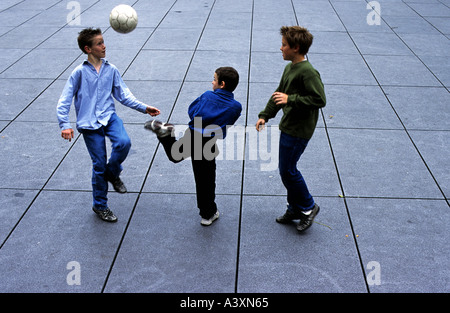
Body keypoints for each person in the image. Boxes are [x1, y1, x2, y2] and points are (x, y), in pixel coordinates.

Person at [57, 28, 161, 222]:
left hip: (109, 117)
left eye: (103, 42)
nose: (104, 46)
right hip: (89, 124)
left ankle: (112, 173)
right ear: (88, 49)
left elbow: (124, 95)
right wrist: (65, 124)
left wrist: (144, 107)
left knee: (124, 143)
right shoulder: (78, 73)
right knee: (98, 164)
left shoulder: (111, 69)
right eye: (99, 43)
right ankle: (100, 205)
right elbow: (64, 100)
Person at [145, 67, 242, 226]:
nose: (212, 81)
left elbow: (192, 110)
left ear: (222, 84)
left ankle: (166, 133)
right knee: (206, 178)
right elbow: (228, 122)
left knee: (177, 157)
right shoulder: (235, 106)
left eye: (214, 79)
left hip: (193, 132)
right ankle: (207, 213)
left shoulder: (207, 96)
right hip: (208, 142)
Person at [255, 26, 326, 233]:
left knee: (288, 170)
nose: (281, 48)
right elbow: (279, 94)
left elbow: (319, 99)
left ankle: (308, 206)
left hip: (299, 130)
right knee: (286, 170)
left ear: (295, 48)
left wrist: (290, 99)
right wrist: (265, 115)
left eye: (284, 45)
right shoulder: (290, 68)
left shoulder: (308, 72)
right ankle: (295, 208)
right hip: (289, 126)